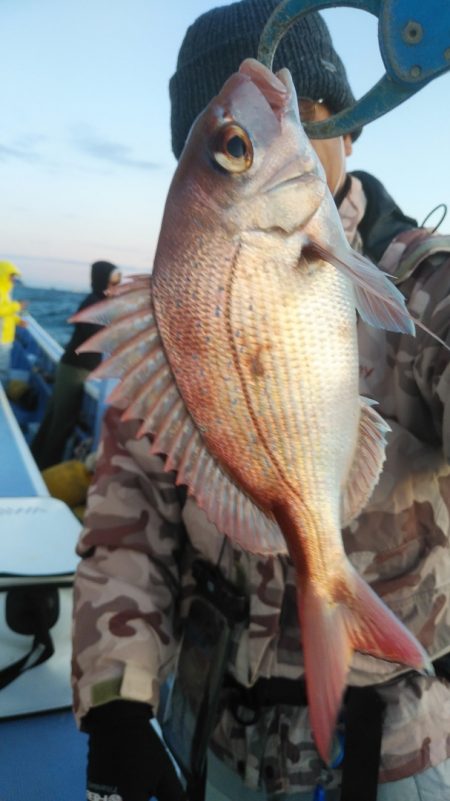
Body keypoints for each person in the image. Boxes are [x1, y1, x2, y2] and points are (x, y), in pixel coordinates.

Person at [71, 2, 450, 800]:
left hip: (393, 746)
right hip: (214, 732)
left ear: (352, 130)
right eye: (236, 144)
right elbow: (126, 514)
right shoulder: (175, 316)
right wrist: (115, 702)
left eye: (313, 114)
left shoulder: (422, 281)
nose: (294, 131)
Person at [31, 260, 121, 470]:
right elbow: (101, 339)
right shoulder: (94, 304)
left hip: (75, 368)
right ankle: (45, 469)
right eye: (113, 282)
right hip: (75, 370)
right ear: (102, 281)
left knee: (54, 419)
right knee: (60, 424)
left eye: (119, 282)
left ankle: (38, 461)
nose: (117, 287)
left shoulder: (99, 303)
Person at [0, 260, 26, 386]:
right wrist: (17, 306)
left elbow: (6, 312)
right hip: (1, 339)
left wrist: (17, 320)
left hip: (5, 337)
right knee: (2, 370)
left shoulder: (5, 293)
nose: (13, 279)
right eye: (11, 275)